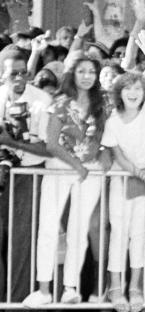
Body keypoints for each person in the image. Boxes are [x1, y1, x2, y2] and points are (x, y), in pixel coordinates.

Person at [24, 56, 109, 307]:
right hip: (61, 169)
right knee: (48, 227)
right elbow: (51, 143)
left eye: (91, 71)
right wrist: (76, 165)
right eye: (81, 71)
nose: (87, 76)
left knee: (79, 230)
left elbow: (106, 137)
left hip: (90, 173)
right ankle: (44, 289)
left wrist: (104, 154)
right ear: (72, 74)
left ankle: (69, 287)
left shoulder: (101, 104)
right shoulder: (59, 103)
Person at [101, 71, 145, 312]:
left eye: (138, 88)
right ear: (119, 92)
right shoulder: (113, 121)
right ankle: (116, 287)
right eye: (128, 88)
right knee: (120, 233)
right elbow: (120, 157)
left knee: (139, 234)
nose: (133, 93)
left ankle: (135, 287)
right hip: (124, 180)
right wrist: (144, 176)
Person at [0, 50, 51, 303]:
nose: (19, 78)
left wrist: (13, 143)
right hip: (2, 173)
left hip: (28, 177)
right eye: (13, 74)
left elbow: (47, 148)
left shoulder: (42, 100)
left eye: (24, 73)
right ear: (2, 75)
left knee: (20, 243)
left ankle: (16, 303)